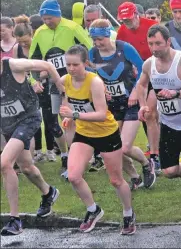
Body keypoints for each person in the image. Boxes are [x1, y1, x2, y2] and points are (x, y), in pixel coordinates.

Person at [136, 25, 181, 228]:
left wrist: (175, 93)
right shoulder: (149, 64)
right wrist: (143, 105)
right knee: (169, 171)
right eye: (150, 44)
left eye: (158, 43)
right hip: (169, 124)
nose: (154, 48)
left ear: (168, 42)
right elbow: (141, 85)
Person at [60, 45, 136, 235]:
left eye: (75, 64)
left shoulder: (94, 81)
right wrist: (68, 116)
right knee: (73, 176)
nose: (71, 68)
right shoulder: (65, 80)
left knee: (116, 180)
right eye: (68, 64)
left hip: (106, 133)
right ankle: (93, 210)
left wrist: (74, 114)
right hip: (84, 134)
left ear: (85, 63)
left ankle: (128, 213)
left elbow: (102, 114)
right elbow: (68, 102)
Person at [87, 19, 156, 190]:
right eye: (94, 40)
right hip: (110, 105)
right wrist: (101, 89)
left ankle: (147, 164)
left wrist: (135, 91)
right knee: (112, 147)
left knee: (124, 146)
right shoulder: (92, 53)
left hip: (131, 102)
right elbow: (92, 74)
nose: (97, 43)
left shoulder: (124, 48)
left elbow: (142, 69)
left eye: (100, 39)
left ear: (108, 35)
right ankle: (135, 177)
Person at [30, 0, 93, 179]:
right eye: (44, 19)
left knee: (75, 119)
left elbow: (89, 49)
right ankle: (67, 156)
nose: (47, 22)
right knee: (55, 123)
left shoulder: (72, 27)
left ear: (58, 15)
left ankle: (81, 157)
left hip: (77, 83)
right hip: (53, 84)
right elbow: (32, 59)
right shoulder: (40, 33)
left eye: (50, 18)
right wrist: (36, 77)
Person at [1, 57, 62, 236]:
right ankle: (48, 192)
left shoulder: (13, 65)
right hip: (7, 124)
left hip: (28, 118)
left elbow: (47, 65)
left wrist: (59, 84)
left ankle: (15, 220)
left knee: (5, 163)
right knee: (26, 167)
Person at [116, 1, 161, 172]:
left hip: (156, 74)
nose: (127, 23)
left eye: (129, 19)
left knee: (150, 114)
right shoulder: (122, 31)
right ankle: (153, 153)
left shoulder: (152, 26)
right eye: (124, 20)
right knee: (146, 115)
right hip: (138, 77)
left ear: (137, 15)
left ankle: (155, 156)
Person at [12, 16, 59, 163]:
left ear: (31, 33)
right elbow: (16, 69)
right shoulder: (16, 49)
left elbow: (48, 65)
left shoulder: (39, 45)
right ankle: (38, 151)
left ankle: (51, 150)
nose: (23, 44)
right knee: (34, 119)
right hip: (27, 88)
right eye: (20, 42)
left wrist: (39, 78)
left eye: (25, 40)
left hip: (45, 85)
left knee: (49, 117)